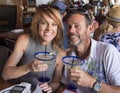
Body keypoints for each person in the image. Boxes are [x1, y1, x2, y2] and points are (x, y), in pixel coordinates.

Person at [2, 4, 66, 92]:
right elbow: (5, 74)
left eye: (54, 24)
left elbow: (56, 82)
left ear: (58, 28)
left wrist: (50, 88)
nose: (49, 28)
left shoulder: (61, 53)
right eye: (44, 23)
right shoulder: (24, 40)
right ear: (37, 24)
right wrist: (28, 67)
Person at [57, 6, 120, 93]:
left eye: (77, 26)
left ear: (90, 29)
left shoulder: (107, 52)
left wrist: (92, 83)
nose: (71, 31)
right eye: (69, 26)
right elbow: (64, 86)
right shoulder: (69, 56)